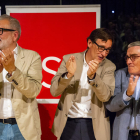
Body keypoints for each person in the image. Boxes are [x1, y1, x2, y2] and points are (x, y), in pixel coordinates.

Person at [50, 28, 116, 140]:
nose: (104, 53)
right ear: (89, 43)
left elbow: (105, 97)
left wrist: (93, 77)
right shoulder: (69, 59)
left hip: (94, 124)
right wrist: (68, 75)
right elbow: (54, 91)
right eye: (101, 48)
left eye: (107, 50)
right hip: (68, 122)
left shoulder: (109, 66)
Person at [0, 14, 42, 140]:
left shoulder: (32, 57)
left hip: (23, 128)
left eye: (1, 30)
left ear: (15, 35)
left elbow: (33, 91)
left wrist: (13, 70)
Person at [106, 41, 140, 140]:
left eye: (133, 57)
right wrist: (127, 95)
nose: (128, 61)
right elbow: (110, 105)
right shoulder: (120, 74)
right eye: (127, 57)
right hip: (124, 135)